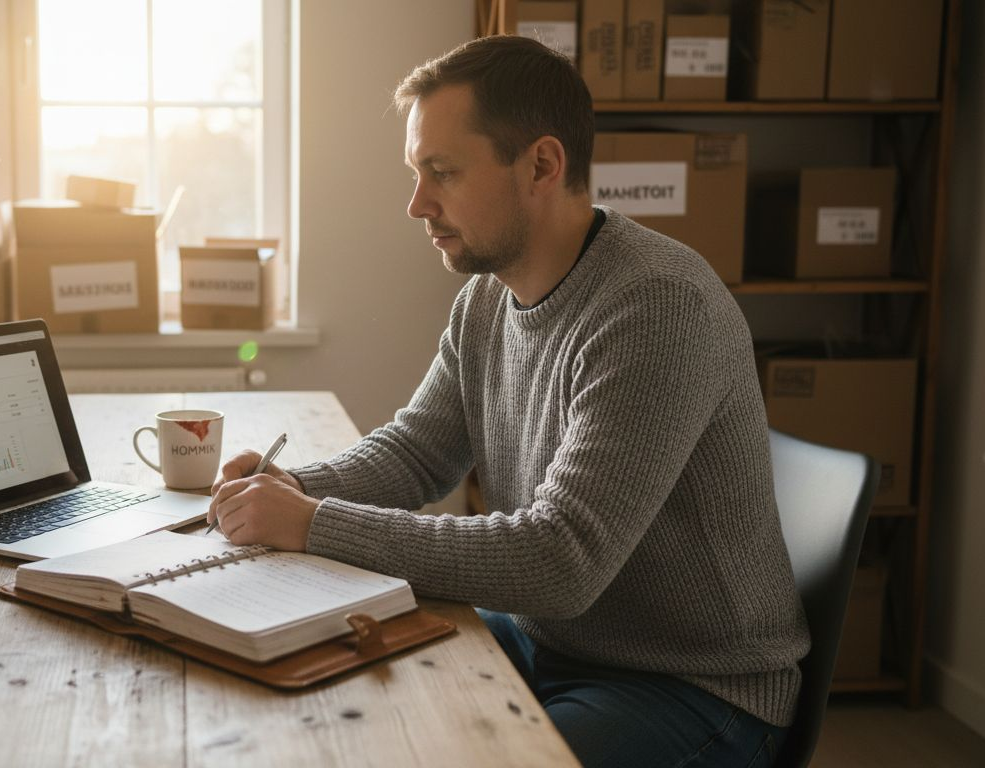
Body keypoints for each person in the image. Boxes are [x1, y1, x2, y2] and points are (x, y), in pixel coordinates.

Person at [206, 35, 807, 768]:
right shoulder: (486, 301)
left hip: (689, 687)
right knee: (340, 718)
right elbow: (416, 452)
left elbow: (562, 559)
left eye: (443, 173)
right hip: (548, 639)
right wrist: (291, 489)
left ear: (542, 167)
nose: (416, 203)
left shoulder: (657, 306)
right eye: (416, 172)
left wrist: (314, 524)